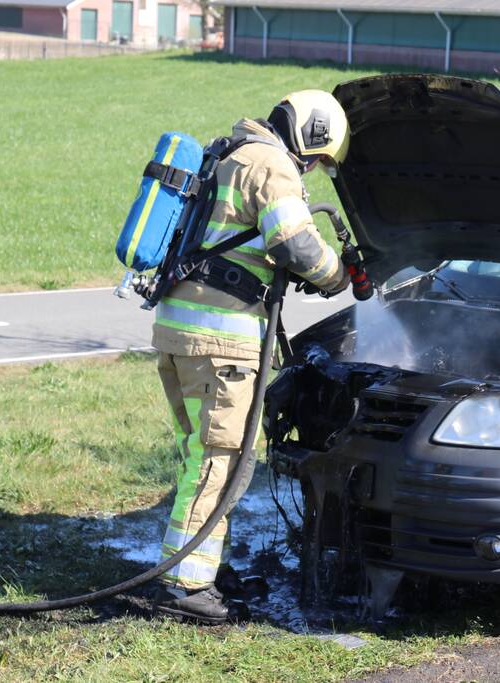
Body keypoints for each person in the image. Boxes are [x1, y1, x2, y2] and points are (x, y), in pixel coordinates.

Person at [152, 90, 352, 624]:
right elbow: (296, 245)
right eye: (317, 159)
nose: (312, 169)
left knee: (201, 458)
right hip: (221, 342)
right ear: (309, 136)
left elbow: (249, 247)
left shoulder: (230, 153)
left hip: (180, 331)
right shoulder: (270, 163)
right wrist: (336, 277)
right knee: (219, 461)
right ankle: (186, 586)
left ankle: (202, 565)